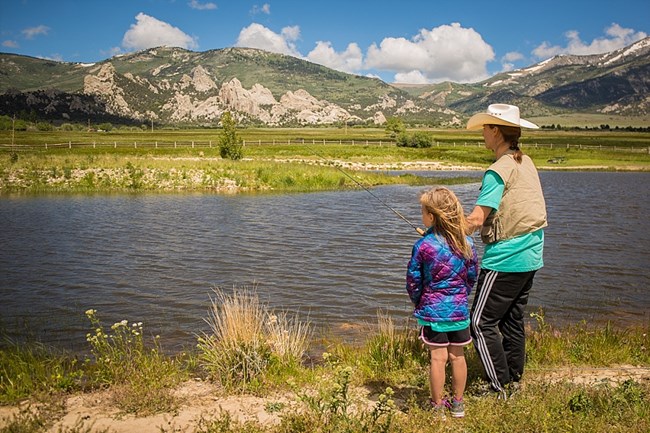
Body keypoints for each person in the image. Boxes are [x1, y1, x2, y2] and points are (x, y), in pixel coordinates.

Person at [465, 104, 547, 399]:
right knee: (512, 319)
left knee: (479, 322)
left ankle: (498, 386)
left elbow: (475, 220)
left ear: (496, 130)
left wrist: (442, 228)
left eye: (486, 128)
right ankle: (513, 381)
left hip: (506, 258)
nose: (483, 134)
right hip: (532, 255)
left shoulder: (497, 170)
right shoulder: (525, 161)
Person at [406, 187, 479, 418]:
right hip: (458, 311)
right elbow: (472, 276)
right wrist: (460, 296)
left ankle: (437, 406)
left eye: (423, 211)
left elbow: (413, 281)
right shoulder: (468, 243)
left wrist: (419, 302)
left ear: (432, 216)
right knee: (458, 356)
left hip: (433, 312)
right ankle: (458, 404)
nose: (421, 214)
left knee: (438, 358)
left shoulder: (423, 246)